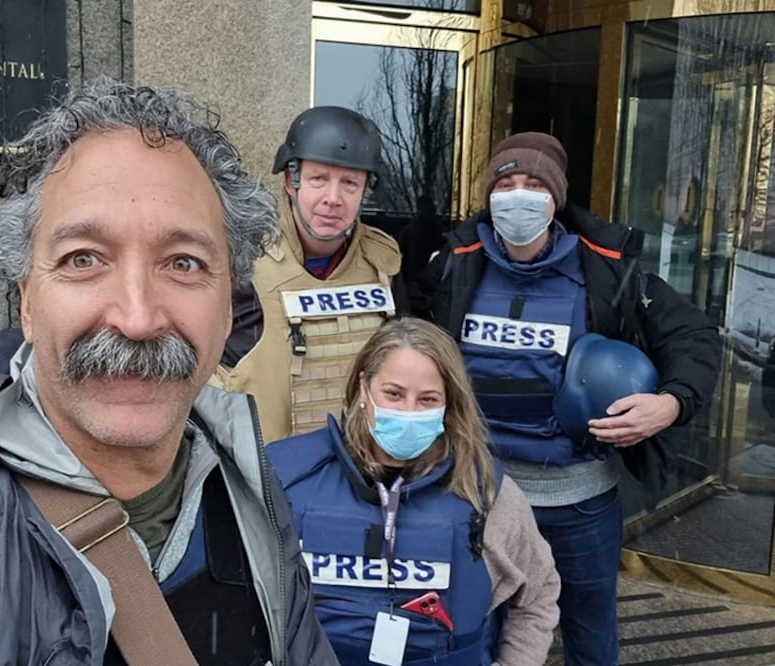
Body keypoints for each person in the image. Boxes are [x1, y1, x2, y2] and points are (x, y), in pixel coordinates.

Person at [0, 79, 337, 665]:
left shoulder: (247, 483)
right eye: (84, 259)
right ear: (27, 302)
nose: (137, 318)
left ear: (226, 304)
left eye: (183, 262)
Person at [419, 132, 721, 665]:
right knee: (476, 631)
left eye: (533, 184)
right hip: (478, 495)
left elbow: (693, 338)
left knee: (589, 635)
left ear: (555, 198)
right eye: (505, 184)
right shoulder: (452, 267)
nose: (517, 196)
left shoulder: (607, 272)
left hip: (579, 504)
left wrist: (670, 404)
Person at [267, 317, 561, 665]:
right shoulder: (285, 477)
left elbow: (538, 593)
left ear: (448, 404)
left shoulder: (484, 493)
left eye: (427, 399)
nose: (408, 411)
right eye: (393, 393)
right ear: (363, 388)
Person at [215, 106, 406, 444]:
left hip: (355, 465)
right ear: (292, 181)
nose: (333, 199)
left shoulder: (383, 264)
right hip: (261, 471)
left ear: (365, 192)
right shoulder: (243, 257)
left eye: (350, 183)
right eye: (319, 179)